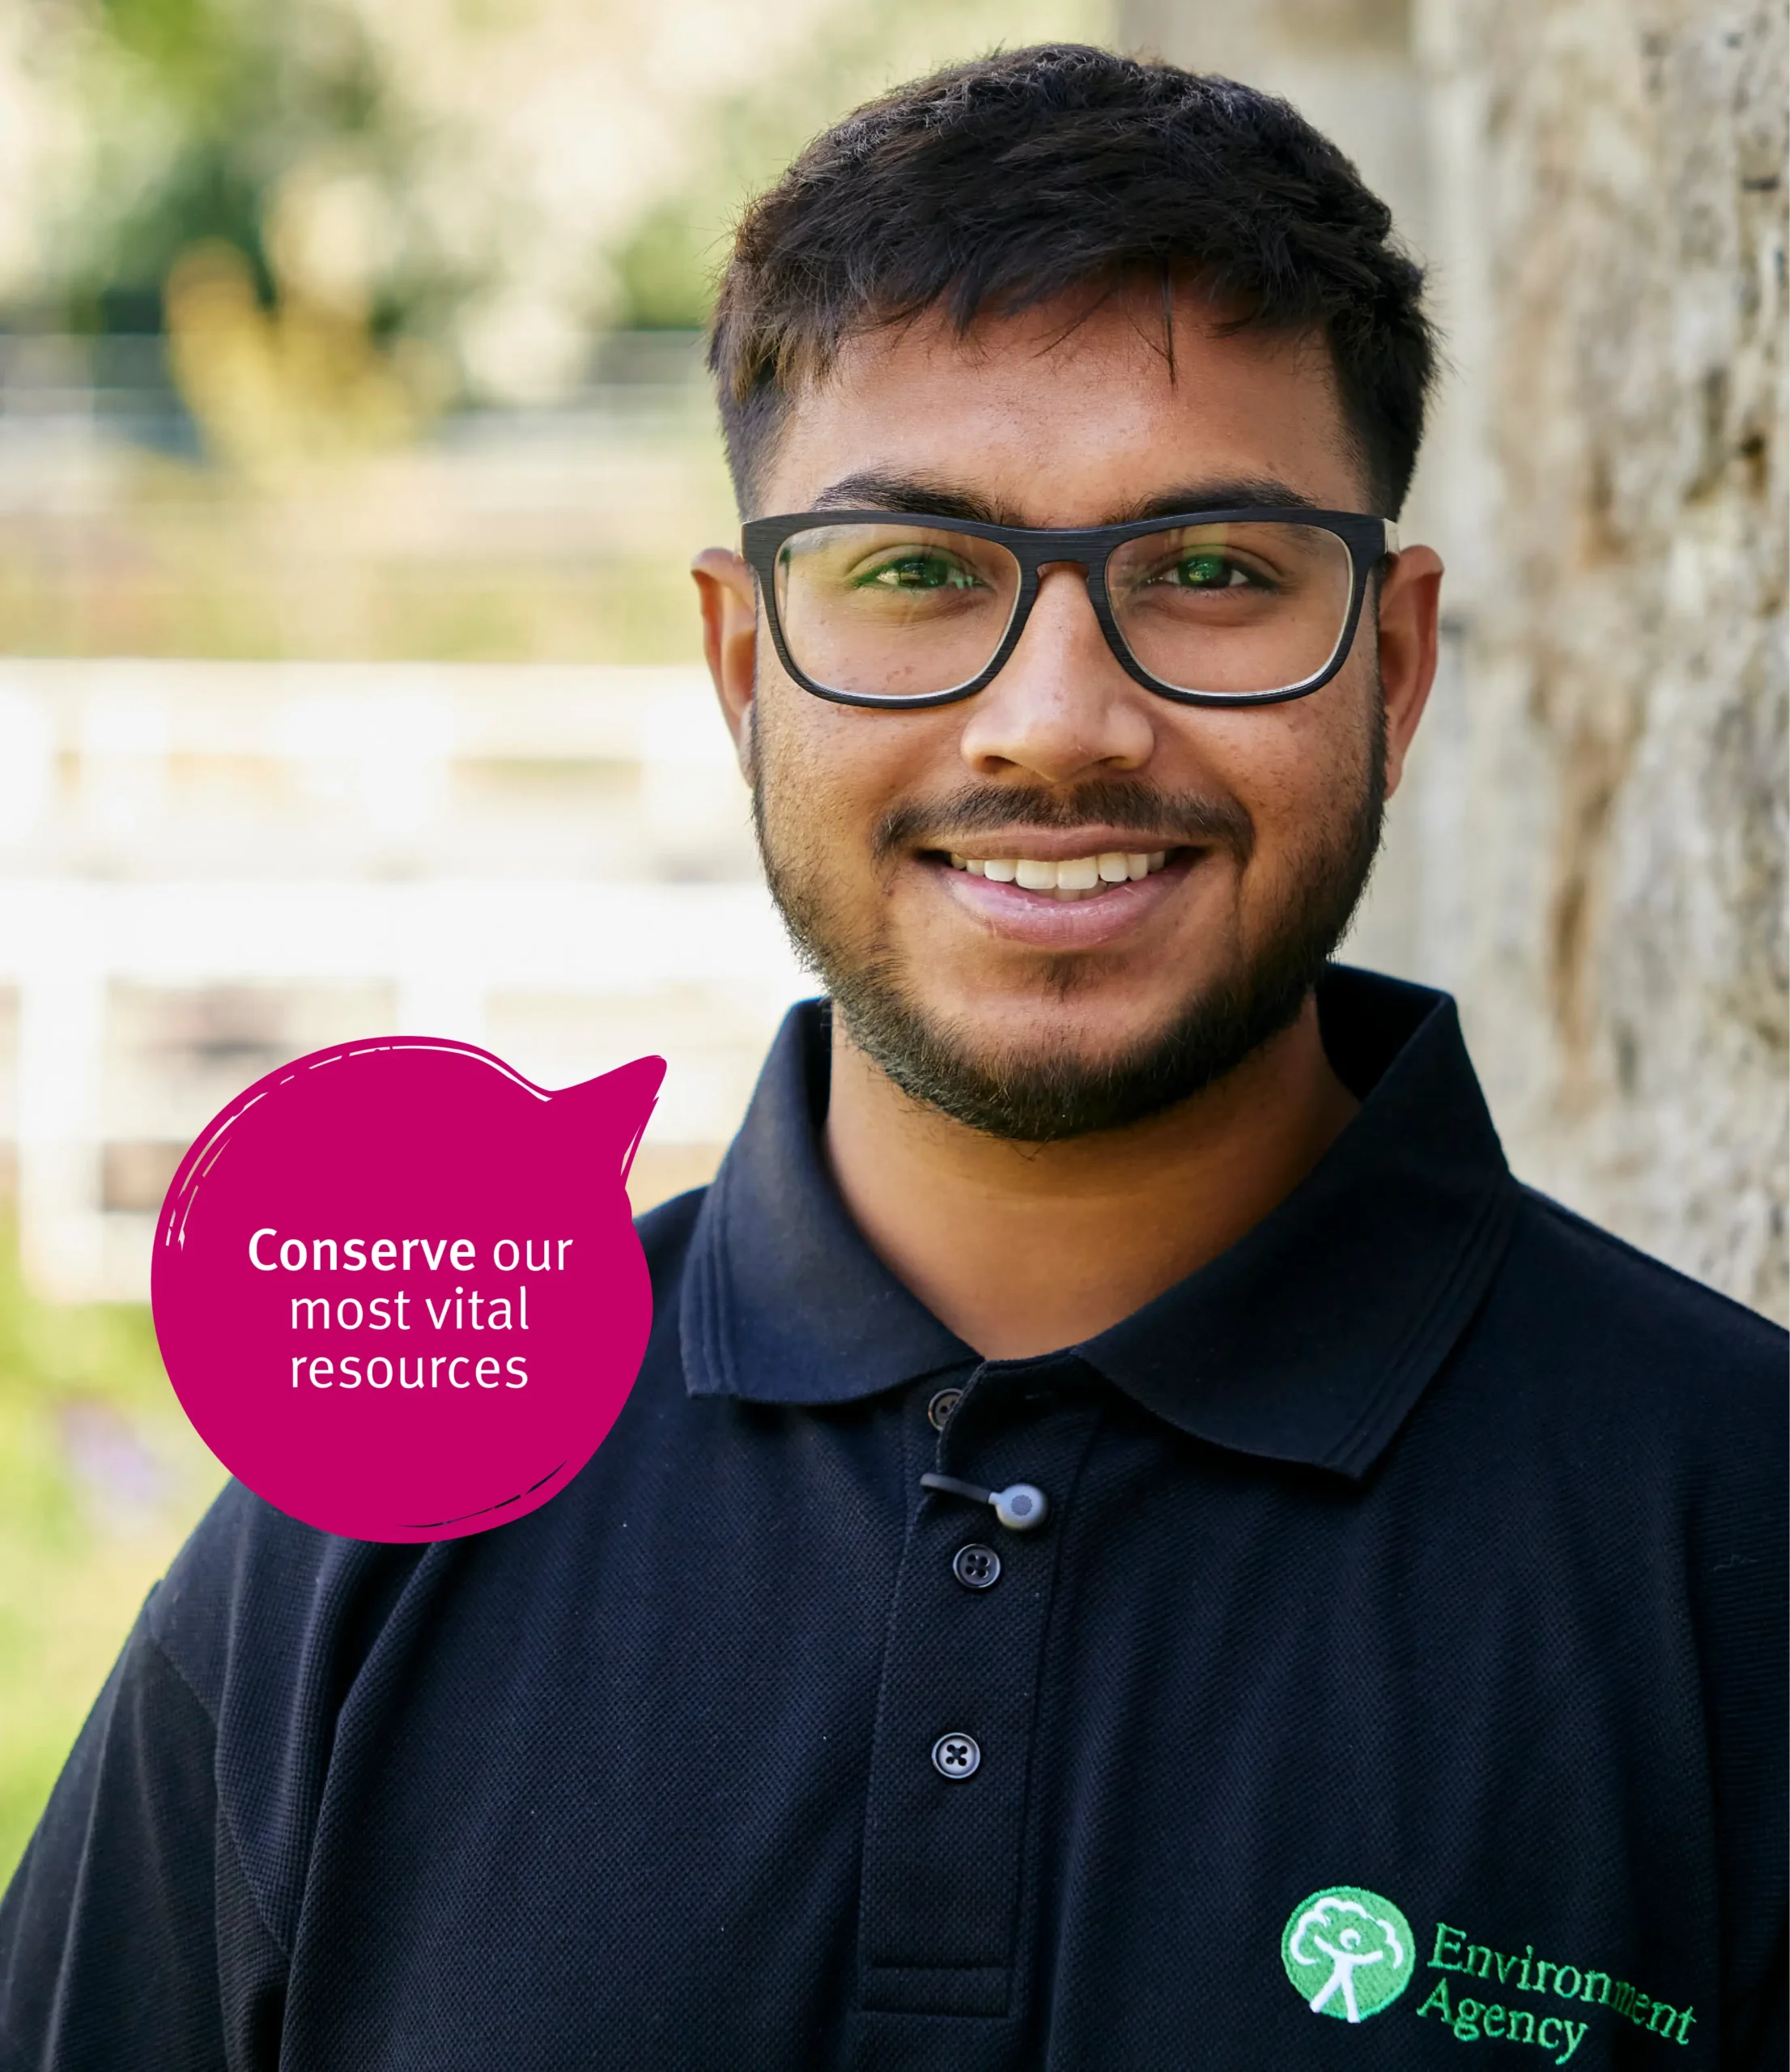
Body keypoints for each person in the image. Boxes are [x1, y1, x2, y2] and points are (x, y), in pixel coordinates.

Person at [3, 44, 1788, 2071]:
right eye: (916, 571)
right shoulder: (357, 1550)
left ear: (1388, 664)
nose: (1053, 721)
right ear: (743, 663)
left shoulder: (1737, 1541)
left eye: (1206, 573)